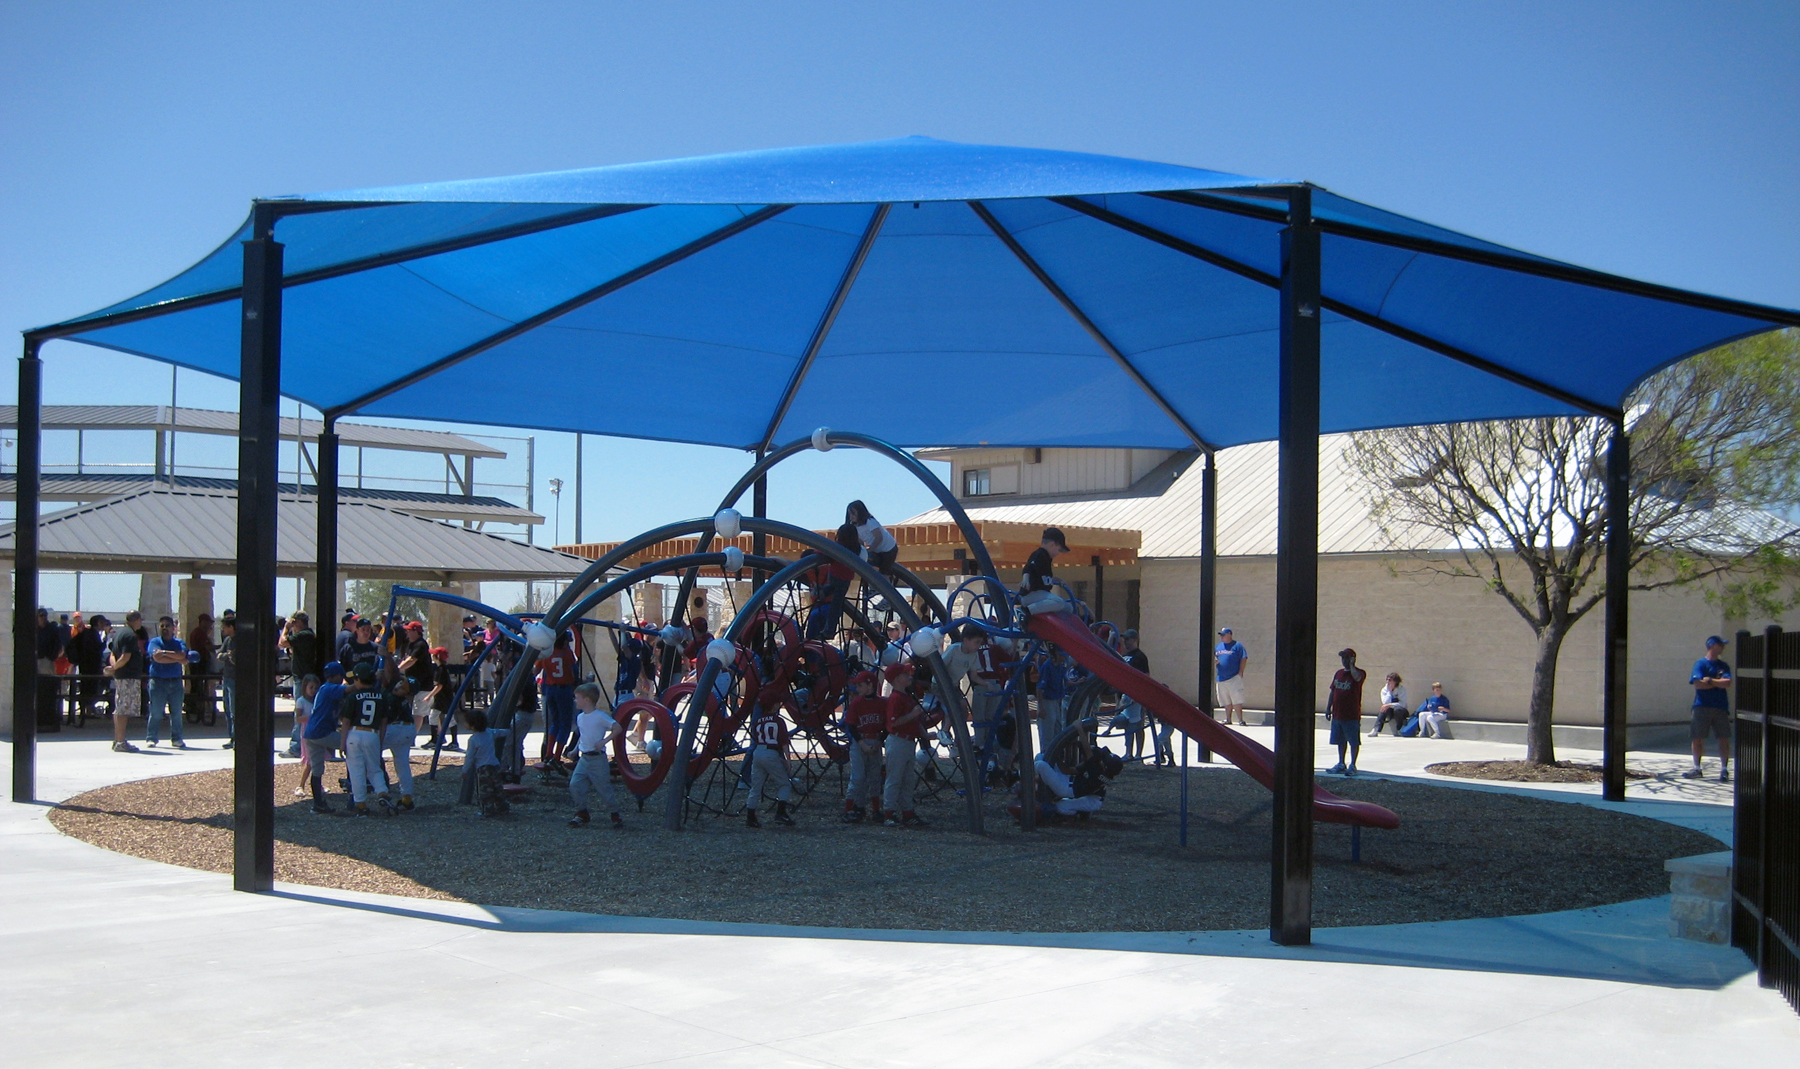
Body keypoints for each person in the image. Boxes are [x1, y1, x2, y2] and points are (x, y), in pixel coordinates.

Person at [339, 663, 397, 816]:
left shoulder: (353, 696)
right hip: (372, 733)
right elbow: (384, 721)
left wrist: (342, 743)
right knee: (374, 768)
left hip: (354, 733)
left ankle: (361, 804)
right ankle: (382, 792)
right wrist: (380, 740)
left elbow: (346, 721)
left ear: (359, 679)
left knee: (356, 771)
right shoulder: (381, 696)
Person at [567, 682, 625, 829]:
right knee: (575, 784)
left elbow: (617, 728)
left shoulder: (600, 716)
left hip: (597, 759)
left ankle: (614, 814)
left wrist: (604, 741)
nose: (575, 700)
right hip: (584, 758)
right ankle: (581, 812)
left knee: (604, 788)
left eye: (577, 698)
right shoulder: (580, 717)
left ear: (587, 700)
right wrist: (575, 749)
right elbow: (583, 735)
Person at [881, 661, 928, 827]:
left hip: (908, 741)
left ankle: (907, 812)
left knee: (908, 779)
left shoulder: (906, 696)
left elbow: (914, 722)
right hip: (898, 740)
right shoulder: (895, 698)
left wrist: (925, 735)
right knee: (895, 778)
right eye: (905, 674)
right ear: (896, 679)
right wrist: (913, 715)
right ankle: (889, 812)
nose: (909, 676)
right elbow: (893, 723)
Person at [1684, 636, 1733, 782]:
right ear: (1712, 646)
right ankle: (1697, 768)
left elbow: (1727, 683)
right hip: (1701, 706)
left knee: (1723, 738)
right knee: (1697, 738)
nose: (1723, 648)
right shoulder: (1700, 664)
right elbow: (1698, 684)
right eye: (1720, 645)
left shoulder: (1723, 666)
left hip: (1720, 707)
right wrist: (1717, 683)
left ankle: (1724, 769)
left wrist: (1710, 680)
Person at [144, 615, 198, 749]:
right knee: (156, 712)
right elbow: (157, 658)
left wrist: (164, 653)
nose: (164, 628)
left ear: (173, 628)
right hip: (158, 682)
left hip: (175, 682)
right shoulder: (154, 642)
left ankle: (177, 739)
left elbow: (182, 655)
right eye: (162, 626)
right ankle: (151, 738)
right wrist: (176, 658)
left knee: (176, 713)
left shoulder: (179, 643)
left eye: (167, 626)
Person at [840, 669, 886, 823]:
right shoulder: (857, 703)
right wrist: (862, 743)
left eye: (860, 685)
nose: (857, 688)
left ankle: (875, 809)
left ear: (870, 685)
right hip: (860, 742)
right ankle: (850, 809)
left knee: (875, 777)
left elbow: (886, 726)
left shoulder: (881, 703)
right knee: (858, 777)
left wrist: (879, 742)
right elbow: (851, 726)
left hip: (875, 740)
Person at [743, 697, 797, 828]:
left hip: (758, 751)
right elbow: (784, 743)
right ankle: (781, 813)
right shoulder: (778, 721)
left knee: (756, 787)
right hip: (771, 752)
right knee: (784, 784)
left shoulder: (758, 721)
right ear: (773, 705)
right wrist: (788, 760)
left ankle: (750, 816)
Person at [302, 664, 348, 813]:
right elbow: (350, 689)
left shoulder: (325, 689)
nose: (342, 679)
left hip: (311, 733)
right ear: (336, 676)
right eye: (340, 676)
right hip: (321, 732)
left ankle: (318, 804)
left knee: (317, 769)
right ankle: (354, 788)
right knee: (352, 745)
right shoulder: (330, 688)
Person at [537, 629, 578, 766]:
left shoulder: (546, 653)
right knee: (565, 724)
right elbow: (574, 669)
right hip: (564, 689)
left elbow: (536, 669)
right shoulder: (567, 653)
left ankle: (548, 753)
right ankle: (557, 756)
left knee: (554, 723)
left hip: (550, 688)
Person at [457, 708, 508, 817]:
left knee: (484, 790)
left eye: (466, 722)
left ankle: (487, 810)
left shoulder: (473, 739)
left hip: (483, 768)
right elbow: (500, 732)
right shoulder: (489, 732)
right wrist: (509, 731)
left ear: (472, 725)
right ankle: (502, 808)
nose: (464, 724)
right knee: (497, 788)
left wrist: (465, 770)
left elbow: (469, 757)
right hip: (495, 765)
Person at [103, 615, 142, 753]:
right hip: (128, 677)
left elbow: (112, 654)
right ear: (136, 620)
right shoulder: (130, 635)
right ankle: (120, 742)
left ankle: (118, 739)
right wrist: (115, 668)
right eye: (140, 620)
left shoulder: (119, 634)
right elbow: (126, 656)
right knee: (123, 709)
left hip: (120, 676)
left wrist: (114, 668)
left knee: (120, 707)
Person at [1325, 647, 1366, 775]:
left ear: (1352, 659)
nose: (1344, 660)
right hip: (1338, 714)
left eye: (1347, 658)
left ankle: (1353, 765)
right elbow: (1333, 691)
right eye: (1343, 658)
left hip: (1351, 715)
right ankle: (1341, 763)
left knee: (1353, 741)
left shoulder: (1359, 673)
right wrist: (1328, 708)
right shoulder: (1338, 673)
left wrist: (1352, 666)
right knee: (1340, 740)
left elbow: (1357, 679)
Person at [381, 676, 418, 811]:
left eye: (403, 687)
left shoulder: (393, 699)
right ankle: (407, 797)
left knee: (370, 754)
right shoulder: (401, 698)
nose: (399, 686)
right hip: (408, 729)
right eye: (401, 683)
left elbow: (385, 719)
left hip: (395, 729)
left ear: (407, 693)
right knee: (402, 765)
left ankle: (381, 791)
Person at [1112, 629, 1149, 761]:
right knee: (1126, 725)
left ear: (1134, 640)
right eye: (1124, 639)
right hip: (1124, 696)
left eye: (1127, 639)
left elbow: (1146, 677)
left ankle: (1138, 754)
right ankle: (1128, 752)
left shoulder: (1140, 657)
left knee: (1138, 725)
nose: (1125, 642)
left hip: (1136, 697)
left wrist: (1141, 697)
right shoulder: (1124, 656)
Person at [70, 611, 109, 725]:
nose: (104, 625)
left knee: (87, 688)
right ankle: (86, 710)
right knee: (90, 689)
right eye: (102, 623)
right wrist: (106, 637)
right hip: (91, 667)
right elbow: (97, 649)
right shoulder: (92, 634)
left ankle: (86, 710)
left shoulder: (87, 633)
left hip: (85, 666)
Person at [1019, 527, 1069, 609]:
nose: (1058, 553)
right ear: (1052, 545)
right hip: (1031, 594)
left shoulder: (1047, 558)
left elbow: (1044, 577)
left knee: (1068, 607)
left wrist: (1058, 580)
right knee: (1058, 602)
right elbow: (1028, 569)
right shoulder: (1039, 554)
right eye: (1059, 550)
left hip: (1041, 595)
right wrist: (1026, 580)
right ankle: (1025, 612)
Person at [846, 500, 899, 575]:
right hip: (876, 550)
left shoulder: (869, 522)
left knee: (884, 572)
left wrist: (870, 550)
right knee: (870, 566)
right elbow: (860, 542)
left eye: (853, 513)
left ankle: (885, 580)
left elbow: (879, 537)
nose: (851, 516)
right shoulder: (855, 527)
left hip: (888, 549)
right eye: (850, 514)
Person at [1214, 627, 1250, 727]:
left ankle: (1240, 720)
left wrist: (1241, 672)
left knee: (1237, 699)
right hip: (1221, 678)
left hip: (1234, 677)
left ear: (1229, 634)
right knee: (1225, 700)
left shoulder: (1237, 646)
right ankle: (1228, 719)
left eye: (1223, 635)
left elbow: (1243, 658)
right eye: (1221, 635)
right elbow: (1214, 657)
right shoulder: (1218, 647)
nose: (1221, 637)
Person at [217, 614, 240, 750]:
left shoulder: (240, 640)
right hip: (226, 678)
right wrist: (227, 655)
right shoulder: (227, 640)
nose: (222, 629)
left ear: (231, 627)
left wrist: (231, 656)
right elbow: (219, 654)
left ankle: (237, 738)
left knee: (234, 711)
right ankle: (232, 737)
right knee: (227, 709)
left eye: (224, 627)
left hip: (235, 679)